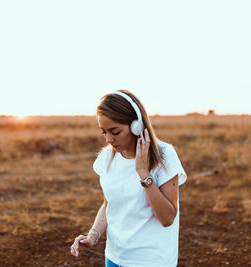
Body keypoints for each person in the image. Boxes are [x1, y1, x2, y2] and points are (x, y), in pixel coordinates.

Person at [70, 90, 187, 267]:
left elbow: (167, 218)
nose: (109, 139)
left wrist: (143, 173)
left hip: (150, 261)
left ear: (137, 126)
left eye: (115, 132)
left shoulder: (164, 156)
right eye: (104, 132)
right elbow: (109, 204)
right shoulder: (106, 158)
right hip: (115, 257)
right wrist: (93, 235)